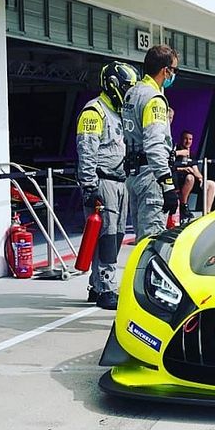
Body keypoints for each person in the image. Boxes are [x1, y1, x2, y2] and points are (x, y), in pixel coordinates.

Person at [77, 61, 138, 309]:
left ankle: (97, 285)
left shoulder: (119, 113)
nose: (128, 92)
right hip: (103, 182)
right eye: (126, 87)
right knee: (107, 238)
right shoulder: (94, 112)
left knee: (117, 235)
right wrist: (89, 186)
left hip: (120, 181)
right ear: (113, 85)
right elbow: (86, 151)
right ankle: (106, 289)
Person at [122, 45, 179, 241]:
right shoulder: (154, 99)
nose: (174, 75)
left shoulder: (131, 93)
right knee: (152, 241)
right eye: (174, 70)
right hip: (151, 177)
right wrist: (167, 184)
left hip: (133, 174)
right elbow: (154, 145)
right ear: (165, 70)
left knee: (141, 239)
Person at [175, 129, 215, 217]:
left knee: (211, 184)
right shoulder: (176, 151)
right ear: (181, 139)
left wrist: (201, 179)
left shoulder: (192, 155)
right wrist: (183, 169)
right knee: (190, 178)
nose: (188, 141)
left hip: (192, 181)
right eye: (185, 138)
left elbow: (196, 170)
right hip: (178, 180)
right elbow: (170, 167)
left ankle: (207, 212)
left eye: (190, 139)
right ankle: (184, 205)